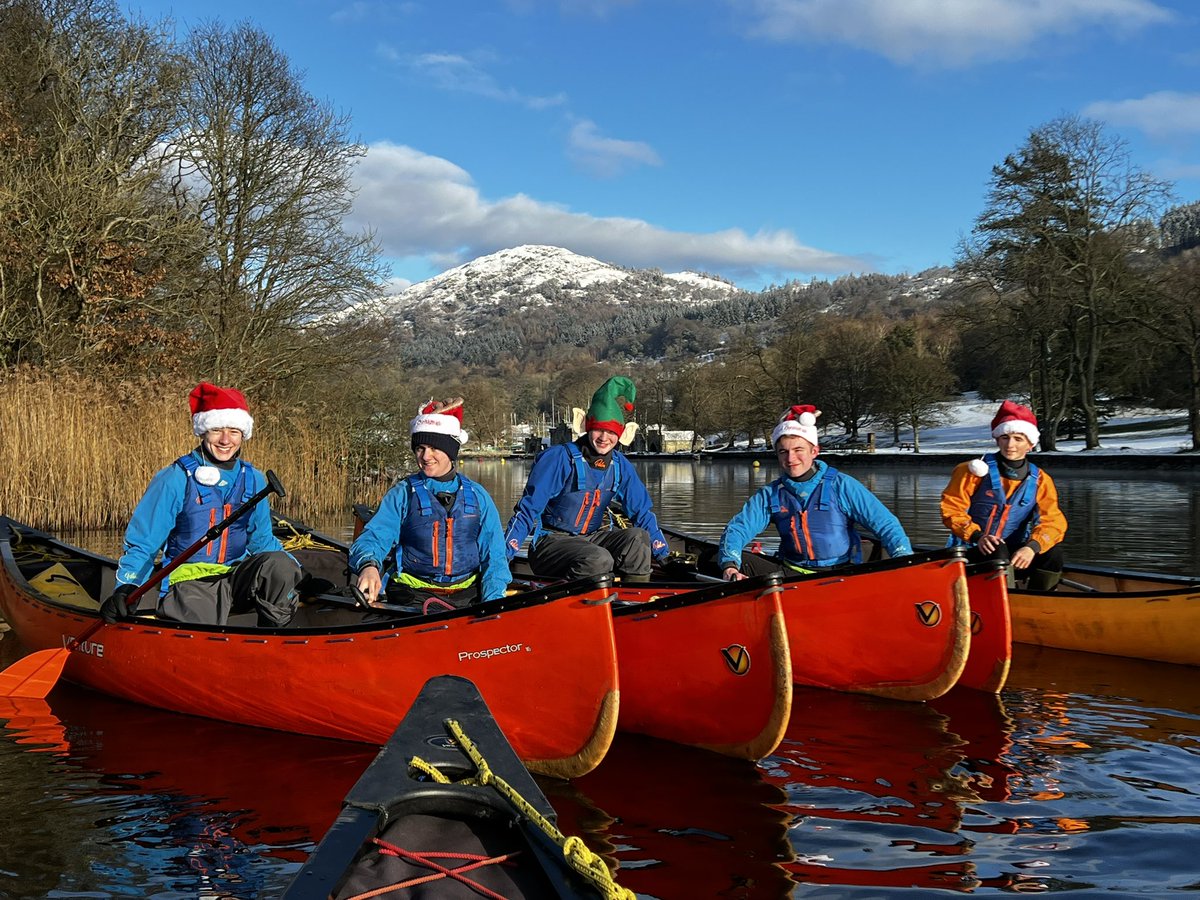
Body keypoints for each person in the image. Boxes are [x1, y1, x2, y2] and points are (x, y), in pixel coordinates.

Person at [100, 382, 302, 626]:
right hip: (188, 583)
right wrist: (127, 587)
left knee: (280, 566)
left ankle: (272, 640)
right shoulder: (175, 478)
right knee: (201, 617)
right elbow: (144, 543)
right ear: (203, 431)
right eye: (217, 429)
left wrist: (301, 574)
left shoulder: (255, 479)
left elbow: (263, 542)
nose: (226, 440)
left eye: (234, 431)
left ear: (243, 435)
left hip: (235, 577)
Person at [504, 376, 669, 583]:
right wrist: (503, 557)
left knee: (638, 538)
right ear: (587, 427)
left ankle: (633, 603)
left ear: (620, 435)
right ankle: (584, 607)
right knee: (599, 559)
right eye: (599, 429)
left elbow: (642, 512)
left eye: (611, 432)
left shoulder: (620, 465)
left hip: (592, 539)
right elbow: (527, 511)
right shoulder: (558, 458)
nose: (604, 438)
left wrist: (664, 555)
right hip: (552, 544)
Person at [719, 404, 913, 580]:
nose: (791, 458)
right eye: (783, 452)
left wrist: (905, 562)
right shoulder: (770, 494)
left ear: (814, 451)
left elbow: (886, 524)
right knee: (724, 560)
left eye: (798, 450)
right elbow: (738, 528)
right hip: (791, 576)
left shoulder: (842, 485)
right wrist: (730, 566)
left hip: (842, 573)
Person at [349, 398, 511, 608]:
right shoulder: (402, 493)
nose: (426, 456)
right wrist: (369, 565)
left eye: (435, 448)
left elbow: (496, 556)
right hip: (412, 595)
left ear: (451, 451)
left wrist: (493, 605)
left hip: (468, 595)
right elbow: (373, 538)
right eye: (420, 448)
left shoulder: (479, 496)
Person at [940, 399, 1067, 591]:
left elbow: (1053, 522)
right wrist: (978, 536)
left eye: (1018, 439)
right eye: (1005, 437)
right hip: (973, 550)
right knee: (998, 549)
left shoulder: (1041, 480)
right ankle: (1002, 599)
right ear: (997, 439)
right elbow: (952, 509)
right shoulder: (970, 471)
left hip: (1017, 554)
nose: (1010, 445)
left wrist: (1031, 547)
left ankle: (1040, 602)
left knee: (1053, 554)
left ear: (1030, 444)